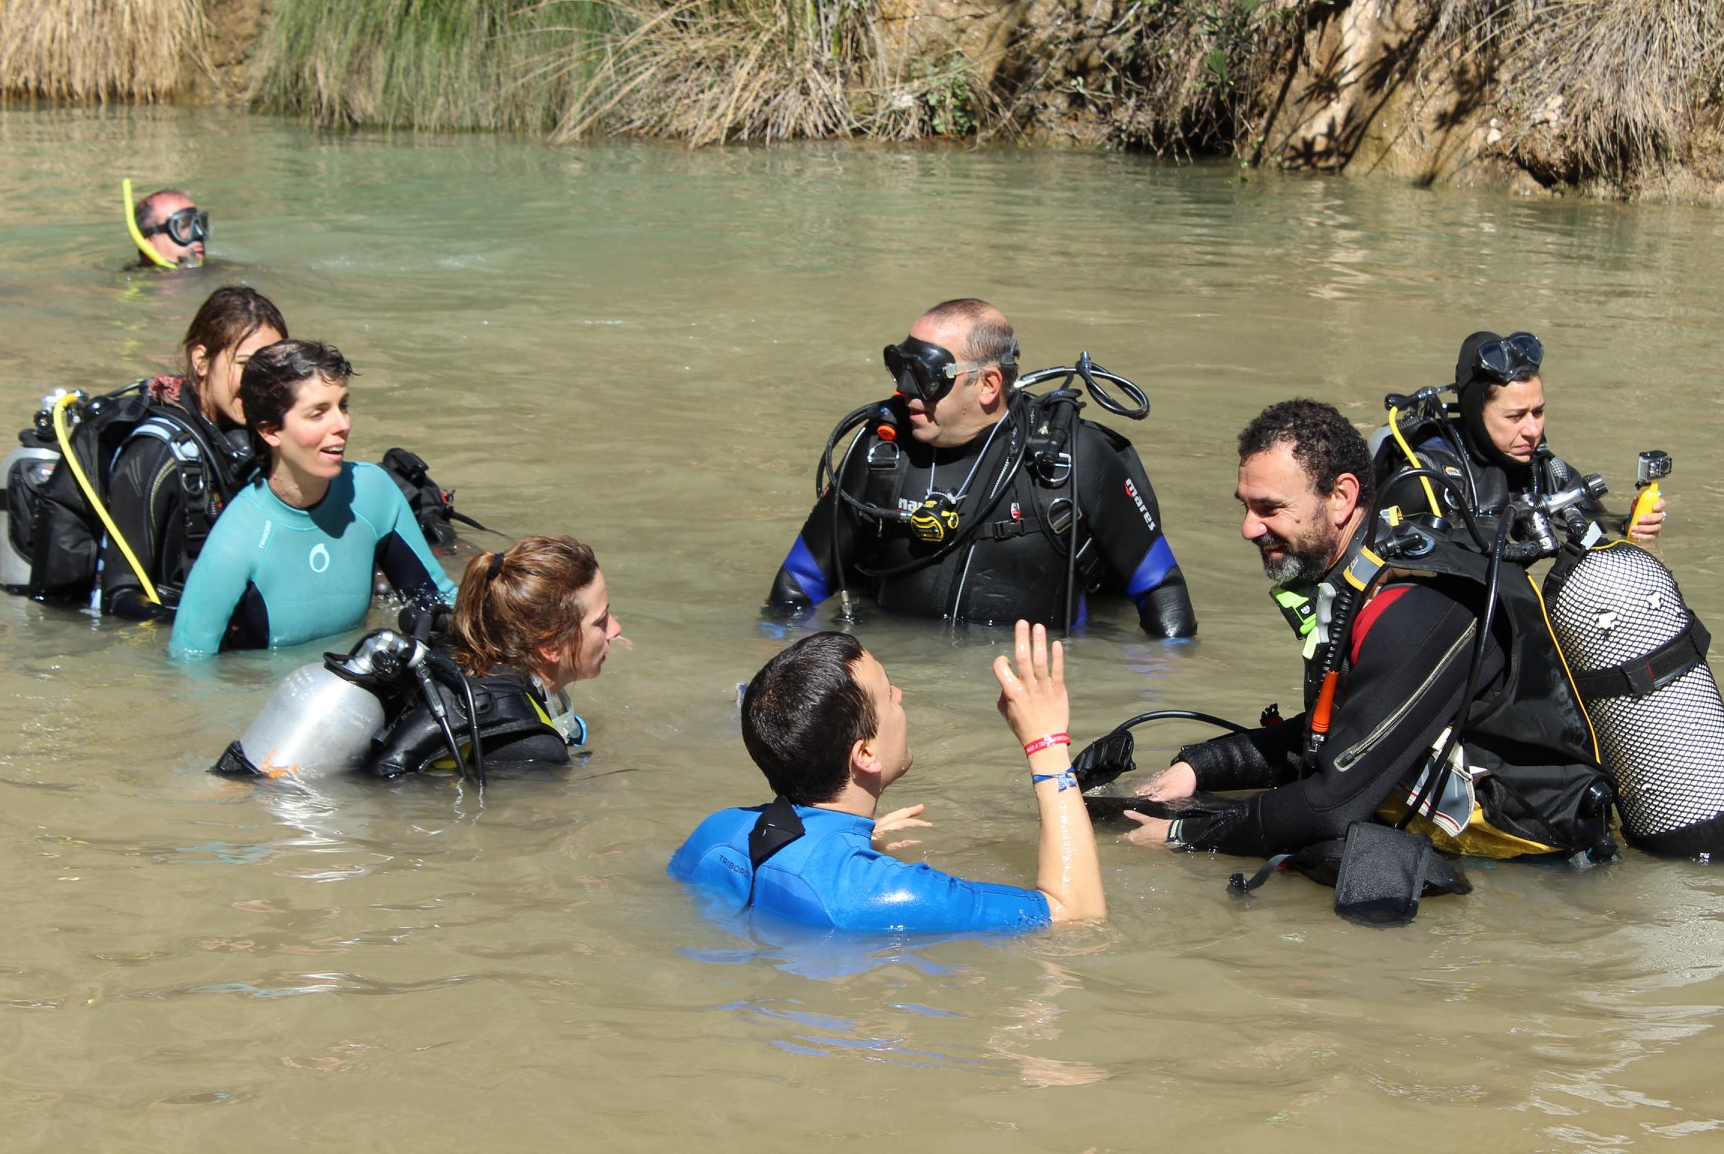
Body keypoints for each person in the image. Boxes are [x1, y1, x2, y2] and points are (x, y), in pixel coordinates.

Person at [1123, 399, 1613, 862]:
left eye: (1269, 508)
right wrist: (1197, 768)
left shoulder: (1420, 605)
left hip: (1538, 873)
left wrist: (1181, 835)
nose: (1248, 528)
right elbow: (1336, 735)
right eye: (1245, 506)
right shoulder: (1364, 576)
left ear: (1341, 498)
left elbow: (1331, 805)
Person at [764, 298, 1196, 637]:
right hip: (899, 691)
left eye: (926, 376)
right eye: (899, 368)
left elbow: (1162, 590)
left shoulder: (1073, 459)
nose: (904, 391)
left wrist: (1147, 695)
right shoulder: (881, 453)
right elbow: (796, 587)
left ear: (988, 384)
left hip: (1034, 699)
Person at [670, 621, 1104, 933]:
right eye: (888, 690)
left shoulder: (714, 833)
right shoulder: (888, 892)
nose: (901, 697)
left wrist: (851, 844)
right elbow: (1077, 915)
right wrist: (1046, 745)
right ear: (866, 754)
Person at [168, 340, 456, 657]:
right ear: (269, 431)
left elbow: (438, 602)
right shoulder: (237, 539)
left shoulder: (375, 493)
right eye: (318, 413)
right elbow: (189, 668)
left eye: (342, 406)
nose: (342, 425)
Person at [98, 285, 288, 620]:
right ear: (201, 361)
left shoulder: (258, 442)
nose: (263, 382)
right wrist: (216, 625)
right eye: (246, 364)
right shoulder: (154, 454)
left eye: (273, 368)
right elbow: (119, 600)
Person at [366, 536, 622, 776]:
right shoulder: (531, 746)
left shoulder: (453, 648)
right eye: (600, 621)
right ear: (551, 647)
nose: (615, 629)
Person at [1376, 330, 1665, 541]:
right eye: (1515, 416)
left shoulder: (1551, 473)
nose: (1533, 430)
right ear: (1476, 412)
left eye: (1537, 412)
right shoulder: (1426, 478)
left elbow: (1598, 526)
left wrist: (1630, 526)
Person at [128, 185, 208, 269]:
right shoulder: (130, 280)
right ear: (149, 243)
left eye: (200, 224)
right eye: (183, 227)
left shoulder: (217, 270)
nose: (198, 234)